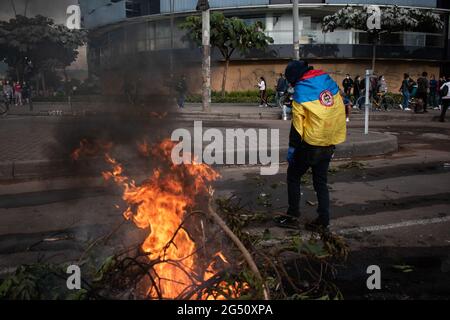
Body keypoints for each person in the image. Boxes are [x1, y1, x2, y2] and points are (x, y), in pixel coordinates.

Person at [276, 60, 347, 231]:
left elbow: (297, 125)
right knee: (320, 182)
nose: (292, 84)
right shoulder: (327, 80)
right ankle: (324, 219)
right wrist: (334, 138)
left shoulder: (302, 90)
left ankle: (293, 215)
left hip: (311, 143)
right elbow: (339, 109)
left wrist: (293, 148)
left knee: (293, 176)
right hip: (329, 142)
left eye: (291, 80)